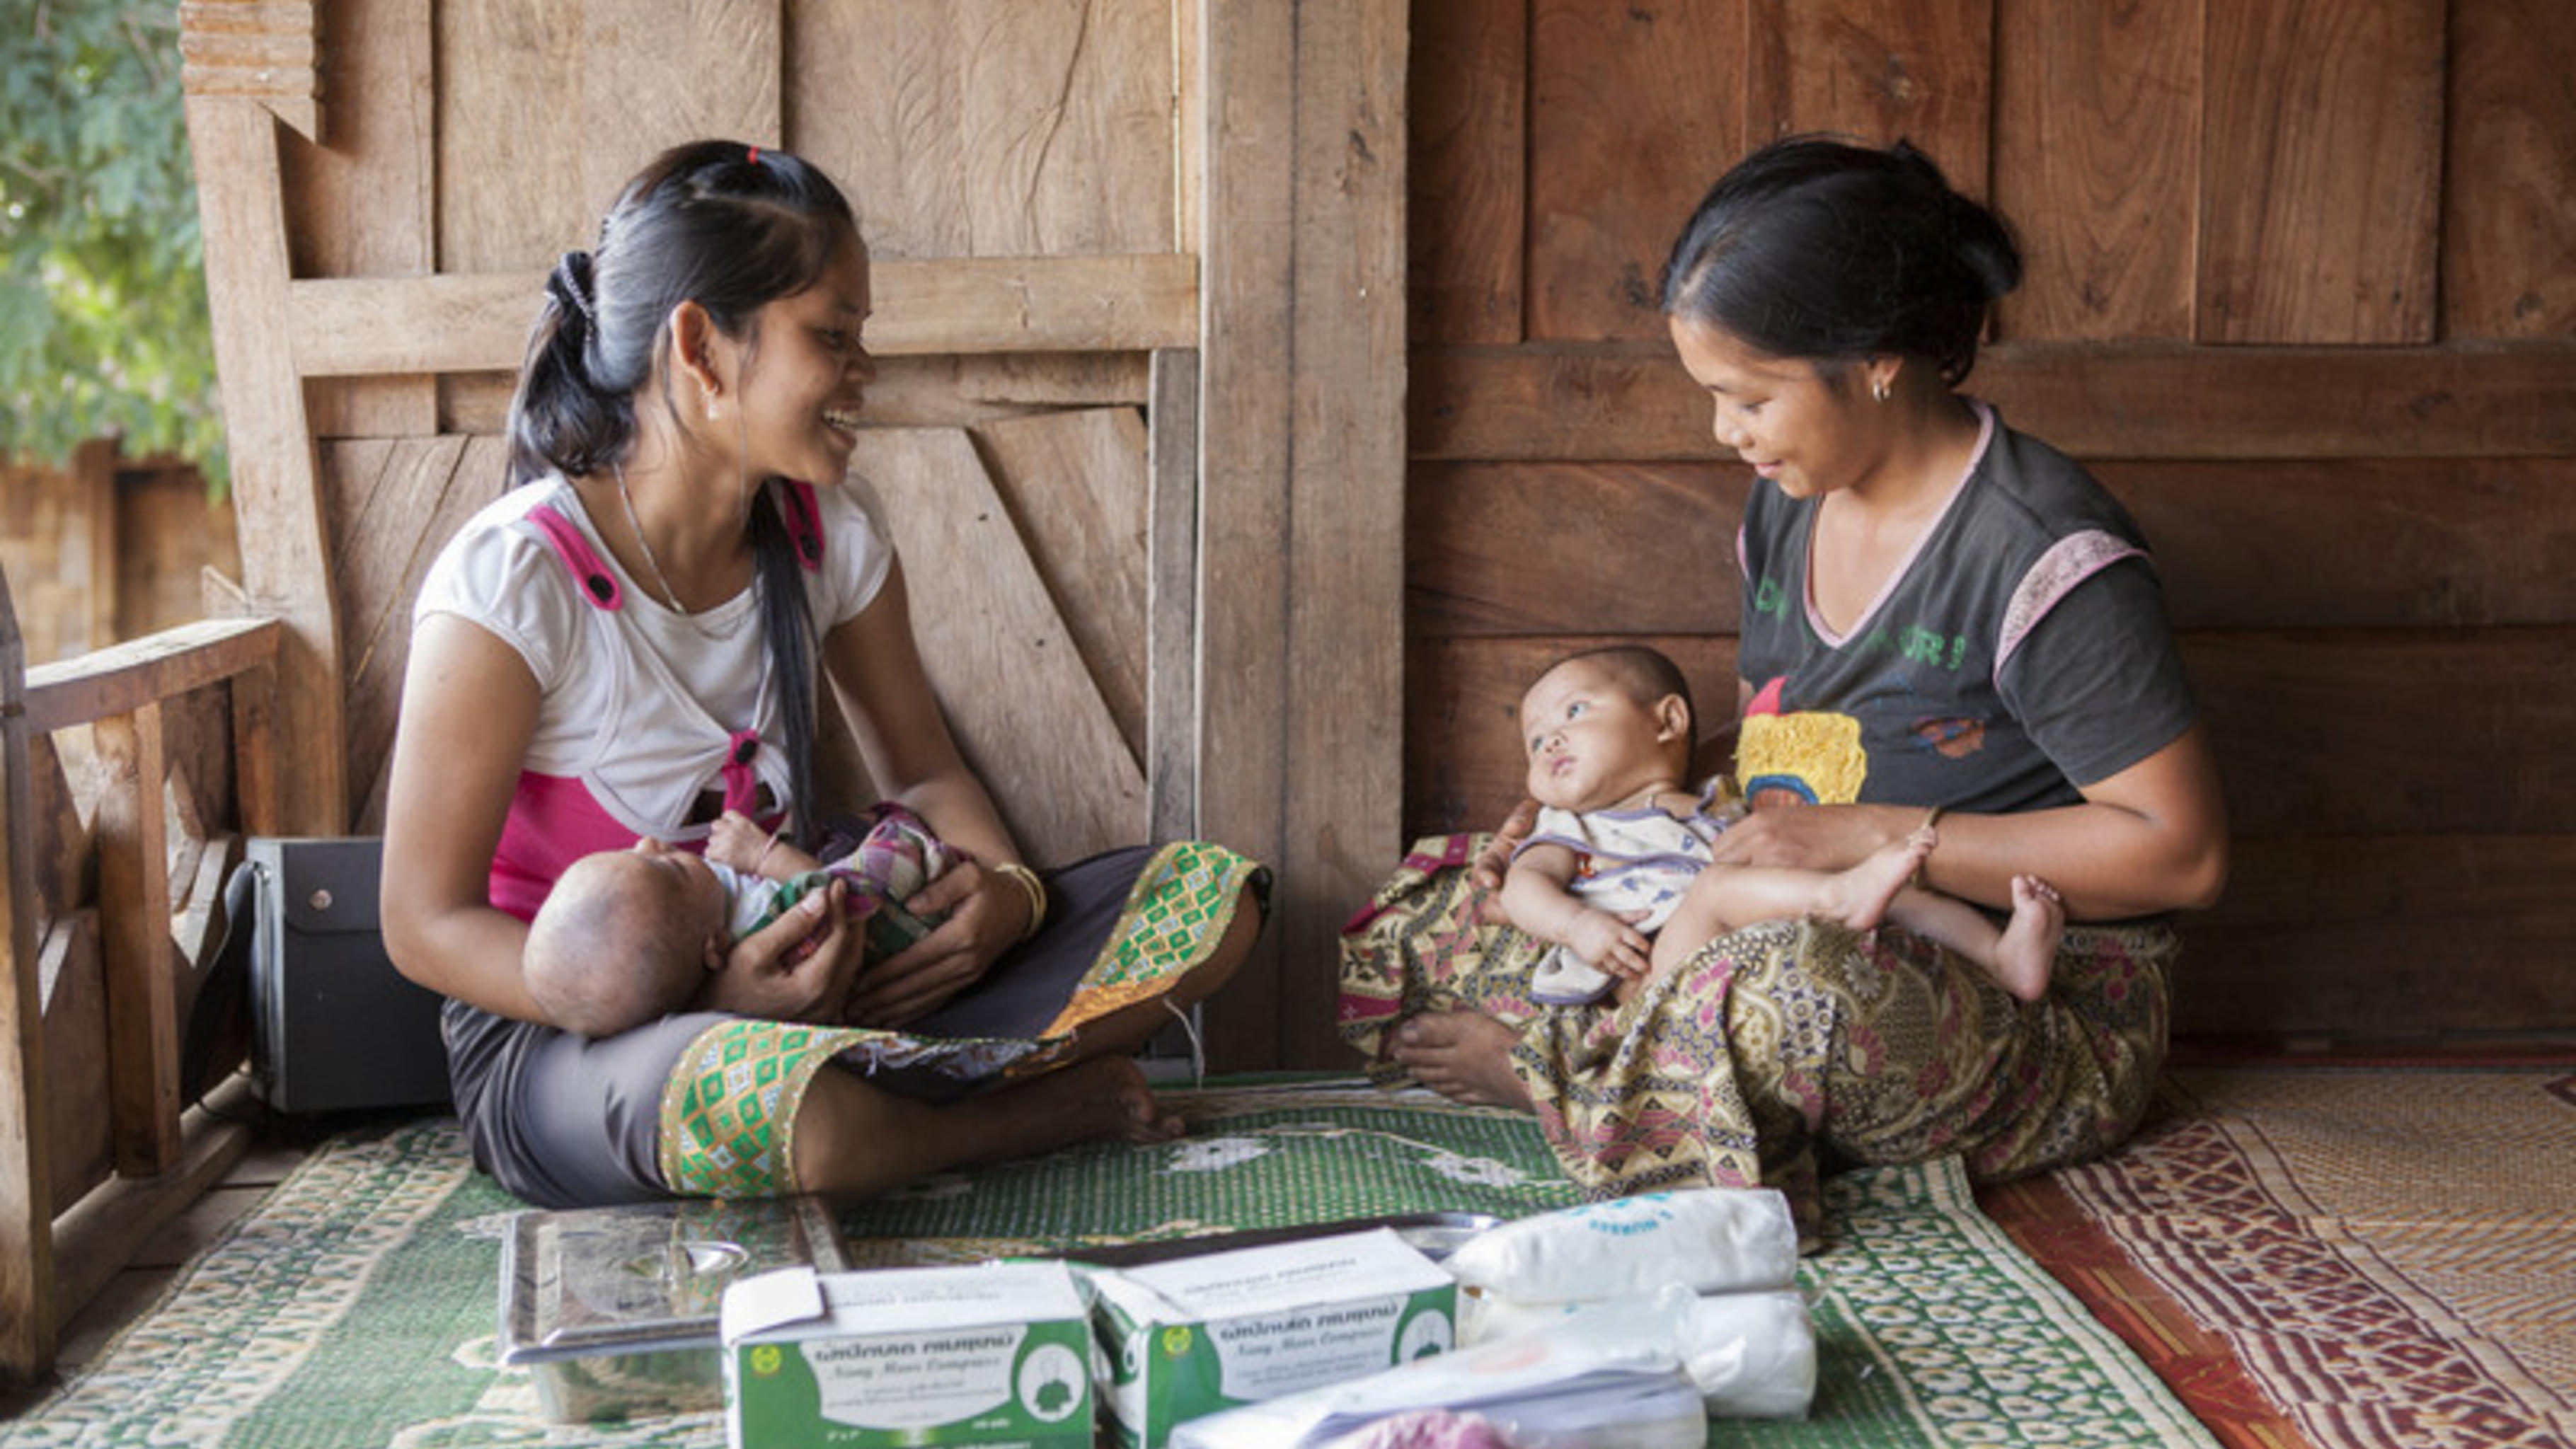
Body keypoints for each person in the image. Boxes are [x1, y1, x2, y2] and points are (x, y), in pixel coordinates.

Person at [1340, 136, 2227, 1244]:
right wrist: (1618, 804)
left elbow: (2181, 856)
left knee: (1784, 996)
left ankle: (1563, 1080)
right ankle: (1638, 1069)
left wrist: (1878, 834)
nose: (1725, 432)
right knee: (1452, 899)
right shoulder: (1791, 501)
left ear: (1875, 360)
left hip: (2011, 993)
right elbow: (1792, 743)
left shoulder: (2043, 553)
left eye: (1748, 396)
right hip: (1780, 899)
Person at [381, 140, 1268, 1212]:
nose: (864, 373)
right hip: (573, 1039)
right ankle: (1009, 1116)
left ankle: (883, 1089)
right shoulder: (516, 578)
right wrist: (709, 991)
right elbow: (421, 922)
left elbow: (928, 774)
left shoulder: (826, 536)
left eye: (863, 338)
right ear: (702, 346)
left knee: (1210, 908)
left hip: (827, 961)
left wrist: (1001, 896)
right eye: (832, 337)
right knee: (774, 1109)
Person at [1506, 645, 2063, 1008]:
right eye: (1535, 740)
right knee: (1718, 887)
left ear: (1667, 721)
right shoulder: (1572, 826)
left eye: (1574, 712)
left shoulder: (1722, 801)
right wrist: (1578, 926)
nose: (1550, 739)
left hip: (1761, 954)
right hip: (1659, 975)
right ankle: (1841, 897)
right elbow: (1521, 890)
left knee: (1899, 891)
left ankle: (2000, 958)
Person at [521, 804, 968, 1040]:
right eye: (670, 869)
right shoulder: (756, 922)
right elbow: (837, 899)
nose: (650, 843)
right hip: (902, 917)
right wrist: (764, 856)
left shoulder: (694, 930)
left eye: (630, 852)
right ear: (715, 947)